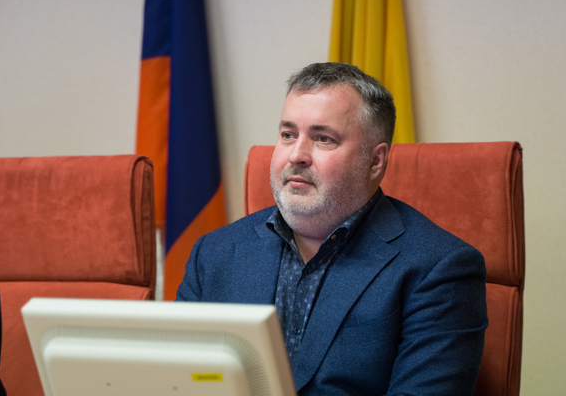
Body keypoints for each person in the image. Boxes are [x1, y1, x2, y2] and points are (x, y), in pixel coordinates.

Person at [177, 62, 488, 395]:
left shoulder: (440, 268)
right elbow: (174, 380)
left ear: (375, 161)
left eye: (323, 139)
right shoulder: (214, 253)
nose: (296, 155)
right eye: (288, 135)